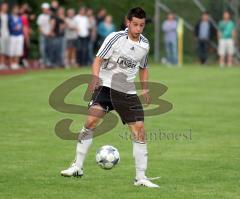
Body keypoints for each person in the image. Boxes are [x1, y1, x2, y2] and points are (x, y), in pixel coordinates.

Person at [60, 7, 160, 188]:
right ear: (127, 22)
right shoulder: (115, 38)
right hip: (105, 86)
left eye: (142, 25)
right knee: (90, 122)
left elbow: (144, 67)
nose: (138, 29)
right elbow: (98, 59)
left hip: (127, 92)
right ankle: (77, 167)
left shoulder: (145, 44)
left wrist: (145, 89)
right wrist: (95, 78)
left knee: (139, 131)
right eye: (135, 24)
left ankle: (141, 177)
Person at [8, 5, 24, 70]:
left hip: (19, 35)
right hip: (12, 36)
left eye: (17, 9)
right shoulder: (10, 17)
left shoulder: (20, 18)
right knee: (12, 50)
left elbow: (21, 27)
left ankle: (16, 64)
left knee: (18, 50)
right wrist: (15, 28)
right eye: (15, 9)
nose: (16, 10)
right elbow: (11, 27)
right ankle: (11, 64)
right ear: (13, 10)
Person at [37, 3, 51, 67]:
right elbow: (39, 27)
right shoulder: (40, 16)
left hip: (49, 35)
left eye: (46, 9)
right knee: (42, 49)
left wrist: (49, 32)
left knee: (49, 49)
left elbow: (52, 25)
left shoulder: (50, 16)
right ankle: (43, 62)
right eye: (44, 9)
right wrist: (45, 33)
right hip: (43, 35)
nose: (45, 10)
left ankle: (48, 62)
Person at [0, 2, 9, 70]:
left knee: (5, 49)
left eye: (6, 6)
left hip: (7, 34)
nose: (5, 7)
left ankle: (3, 63)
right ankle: (1, 63)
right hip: (1, 34)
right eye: (4, 6)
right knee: (1, 49)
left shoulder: (7, 15)